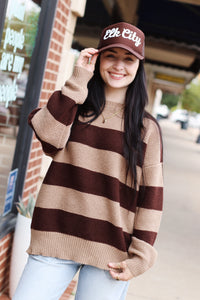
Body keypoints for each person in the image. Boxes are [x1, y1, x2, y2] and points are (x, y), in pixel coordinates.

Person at [13, 22, 163, 300]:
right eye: (111, 56)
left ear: (138, 67)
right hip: (56, 234)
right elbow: (48, 138)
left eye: (128, 59)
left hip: (111, 251)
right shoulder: (73, 105)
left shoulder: (146, 128)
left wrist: (141, 257)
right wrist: (79, 77)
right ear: (98, 58)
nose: (119, 66)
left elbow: (151, 196)